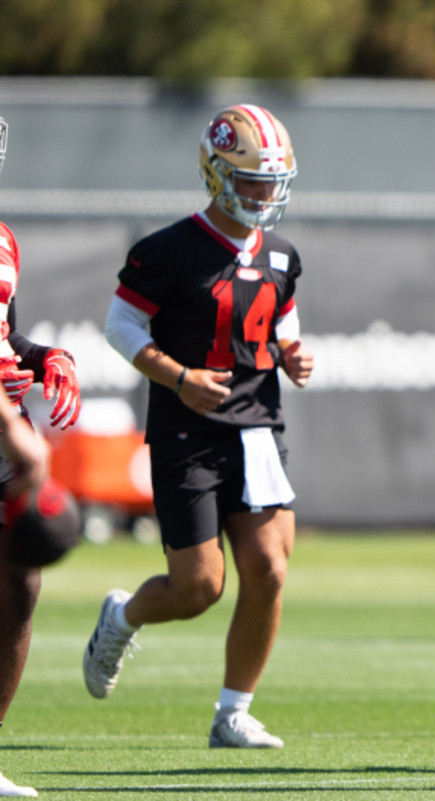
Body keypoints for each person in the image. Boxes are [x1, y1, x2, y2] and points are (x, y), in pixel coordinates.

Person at [84, 104, 314, 750]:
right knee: (199, 586)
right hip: (188, 431)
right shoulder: (168, 250)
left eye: (273, 180)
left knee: (268, 568)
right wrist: (180, 376)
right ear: (216, 174)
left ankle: (233, 712)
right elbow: (121, 326)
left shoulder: (282, 253)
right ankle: (122, 616)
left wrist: (292, 352)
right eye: (250, 180)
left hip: (258, 427)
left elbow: (281, 315)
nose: (264, 193)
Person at [0, 113, 84, 798]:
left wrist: (44, 354)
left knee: (19, 585)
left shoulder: (3, 239)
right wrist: (11, 421)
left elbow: (6, 332)